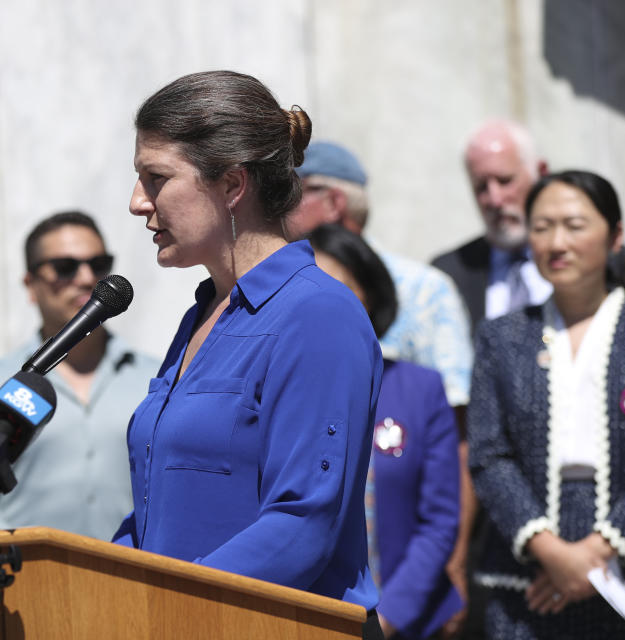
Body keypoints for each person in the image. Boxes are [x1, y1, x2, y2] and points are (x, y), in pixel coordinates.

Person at [112, 70, 384, 638]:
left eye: (156, 178)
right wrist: (105, 590)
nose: (138, 203)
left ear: (233, 184)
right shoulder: (201, 316)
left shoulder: (318, 315)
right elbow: (152, 511)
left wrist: (161, 614)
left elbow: (302, 521)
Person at [468, 170, 625, 639]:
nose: (556, 242)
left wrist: (604, 550)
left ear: (616, 235)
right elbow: (488, 455)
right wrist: (552, 552)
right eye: (541, 227)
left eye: (574, 225)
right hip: (527, 580)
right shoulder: (501, 338)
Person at [0, 211, 158, 540]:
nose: (87, 278)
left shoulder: (158, 377)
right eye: (65, 268)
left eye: (99, 264)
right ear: (30, 285)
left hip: (135, 582)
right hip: (27, 583)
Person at [309, 225, 463, 639]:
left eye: (337, 288)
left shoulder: (419, 390)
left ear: (370, 296)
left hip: (408, 623)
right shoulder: (279, 392)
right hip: (308, 618)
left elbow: (440, 521)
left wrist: (387, 618)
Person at [285, 141, 474, 410]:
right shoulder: (283, 282)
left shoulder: (425, 290)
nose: (281, 206)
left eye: (293, 193)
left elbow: (454, 417)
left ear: (333, 203)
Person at [431, 119, 554, 334]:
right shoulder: (447, 275)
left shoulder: (599, 263)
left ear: (541, 173)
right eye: (481, 187)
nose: (495, 200)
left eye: (505, 180)